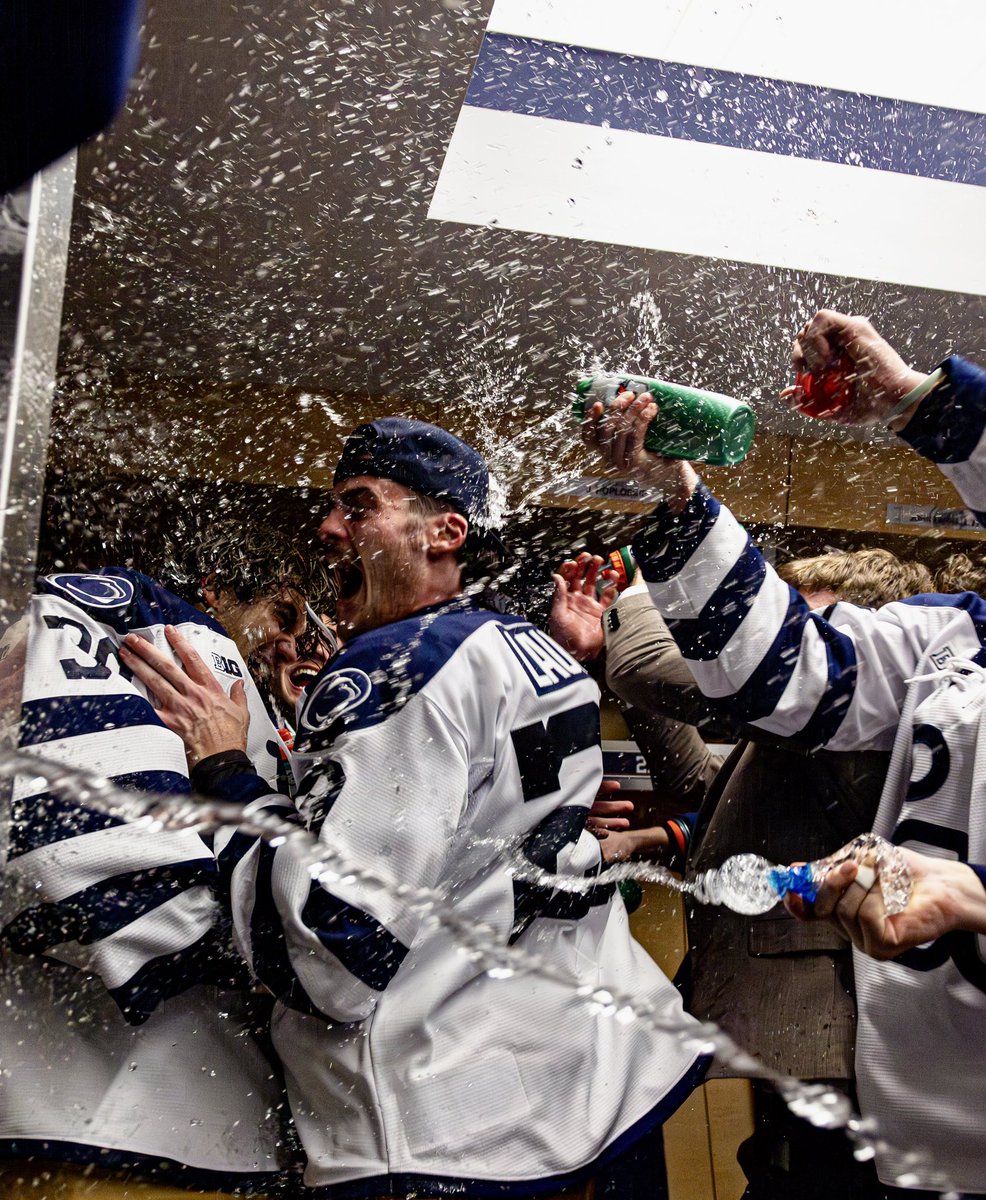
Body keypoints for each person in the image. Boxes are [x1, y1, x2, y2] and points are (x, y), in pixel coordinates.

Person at [121, 417, 708, 1200]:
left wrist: (225, 768)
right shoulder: (529, 648)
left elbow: (334, 955)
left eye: (360, 505)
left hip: (449, 1128)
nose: (329, 527)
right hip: (592, 1079)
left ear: (445, 532)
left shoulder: (394, 666)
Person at [583, 308, 986, 1196]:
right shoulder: (953, 641)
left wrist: (978, 898)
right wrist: (675, 495)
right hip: (917, 1112)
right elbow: (777, 674)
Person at [0, 523, 315, 1198]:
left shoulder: (264, 710)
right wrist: (279, 954)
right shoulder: (146, 626)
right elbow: (77, 861)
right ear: (215, 591)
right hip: (107, 1129)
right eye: (283, 616)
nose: (293, 643)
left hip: (204, 1123)